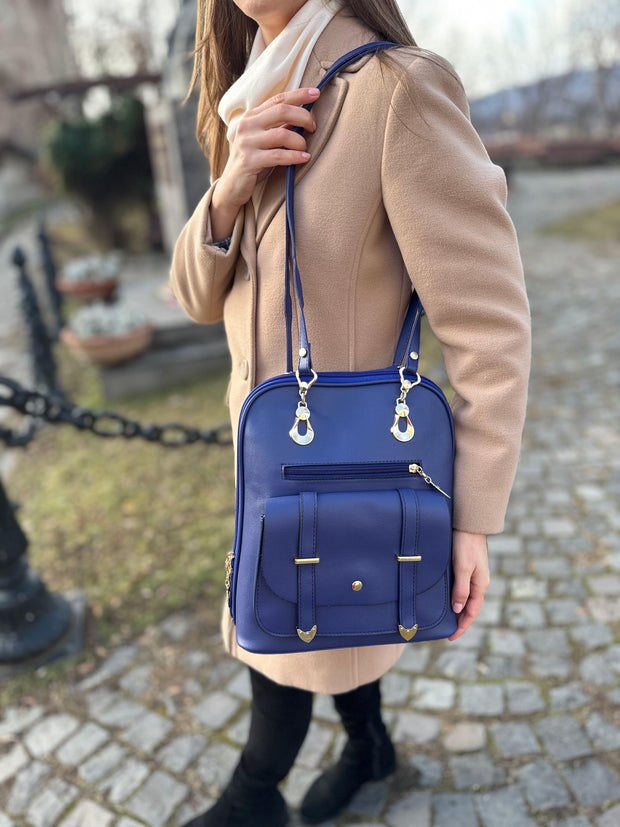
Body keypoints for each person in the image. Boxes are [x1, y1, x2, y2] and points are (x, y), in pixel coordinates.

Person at [169, 1, 532, 825]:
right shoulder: (248, 97)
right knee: (336, 614)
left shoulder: (396, 91)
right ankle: (371, 749)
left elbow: (489, 325)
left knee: (284, 633)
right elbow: (194, 297)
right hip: (270, 467)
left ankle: (253, 796)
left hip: (355, 467)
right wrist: (229, 188)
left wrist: (470, 516)